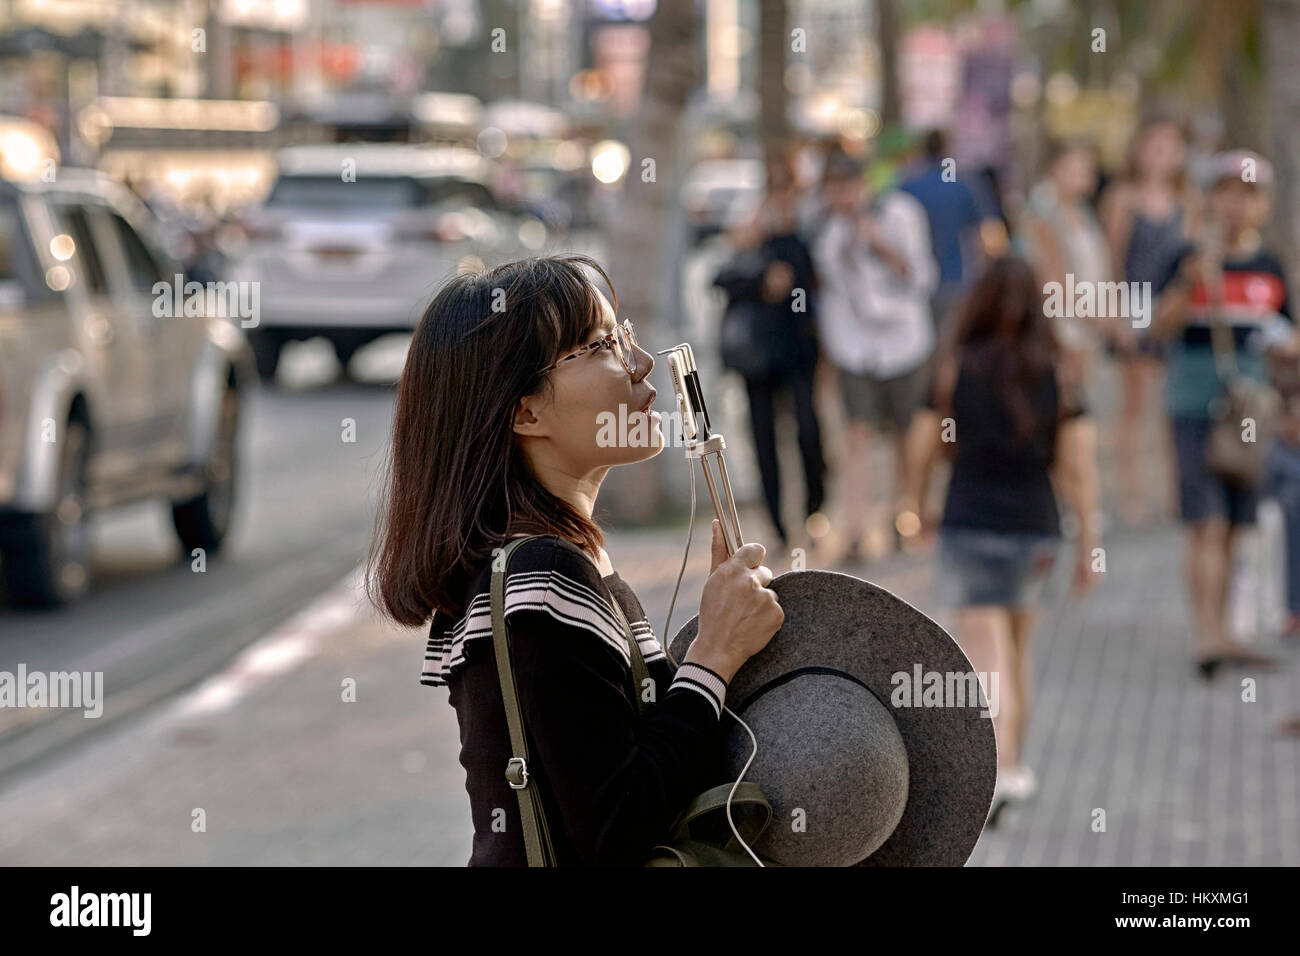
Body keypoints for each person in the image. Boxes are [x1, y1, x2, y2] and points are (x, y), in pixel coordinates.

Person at [364, 255, 785, 865]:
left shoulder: (560, 560)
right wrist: (714, 654)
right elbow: (617, 825)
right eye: (600, 346)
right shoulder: (543, 575)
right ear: (524, 411)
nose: (642, 365)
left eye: (627, 337)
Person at [903, 256, 1102, 820]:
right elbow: (1080, 471)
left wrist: (913, 509)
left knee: (984, 656)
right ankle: (1013, 764)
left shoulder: (953, 369)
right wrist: (1090, 544)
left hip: (970, 523)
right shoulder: (1060, 375)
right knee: (1017, 653)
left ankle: (1002, 768)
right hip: (1036, 530)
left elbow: (921, 448)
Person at [1149, 150, 1297, 677]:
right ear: (1211, 198)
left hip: (1251, 412)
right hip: (1195, 405)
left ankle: (1227, 630)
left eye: (1247, 194)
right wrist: (1188, 283)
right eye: (1227, 192)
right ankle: (1206, 636)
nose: (1236, 204)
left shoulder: (1271, 265)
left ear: (1262, 204)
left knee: (1237, 524)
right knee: (1204, 522)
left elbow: (1287, 335)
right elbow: (1157, 331)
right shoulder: (1186, 257)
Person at [812, 151, 938, 561]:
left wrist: (878, 243)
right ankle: (855, 529)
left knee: (907, 433)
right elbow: (827, 282)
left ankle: (905, 517)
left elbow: (922, 276)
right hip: (854, 346)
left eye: (847, 186)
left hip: (903, 342)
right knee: (856, 435)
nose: (842, 197)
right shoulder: (829, 229)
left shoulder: (900, 213)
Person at [715, 152, 828, 550]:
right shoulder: (752, 224)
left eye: (787, 184)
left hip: (799, 346)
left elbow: (820, 282)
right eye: (774, 184)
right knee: (764, 436)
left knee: (808, 433)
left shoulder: (811, 224)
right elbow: (725, 274)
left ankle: (814, 508)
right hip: (759, 353)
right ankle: (779, 526)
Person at [1098, 118, 1199, 525]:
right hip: (1136, 304)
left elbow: (1191, 261)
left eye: (1169, 144)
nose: (1161, 152)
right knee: (1134, 408)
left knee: (1173, 406)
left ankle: (1176, 492)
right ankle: (1131, 493)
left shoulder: (1186, 199)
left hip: (1174, 310)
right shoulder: (1123, 197)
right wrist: (1118, 315)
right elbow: (1112, 260)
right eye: (1154, 143)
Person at [1018, 140, 1112, 395]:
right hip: (1060, 325)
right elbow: (1050, 282)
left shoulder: (1082, 211)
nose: (1085, 174)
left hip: (1084, 324)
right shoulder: (1043, 213)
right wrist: (1093, 317)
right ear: (1055, 168)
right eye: (1076, 166)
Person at [898, 128, 997, 338]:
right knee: (948, 341)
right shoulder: (963, 185)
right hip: (954, 279)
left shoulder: (908, 184)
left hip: (912, 281)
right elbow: (985, 234)